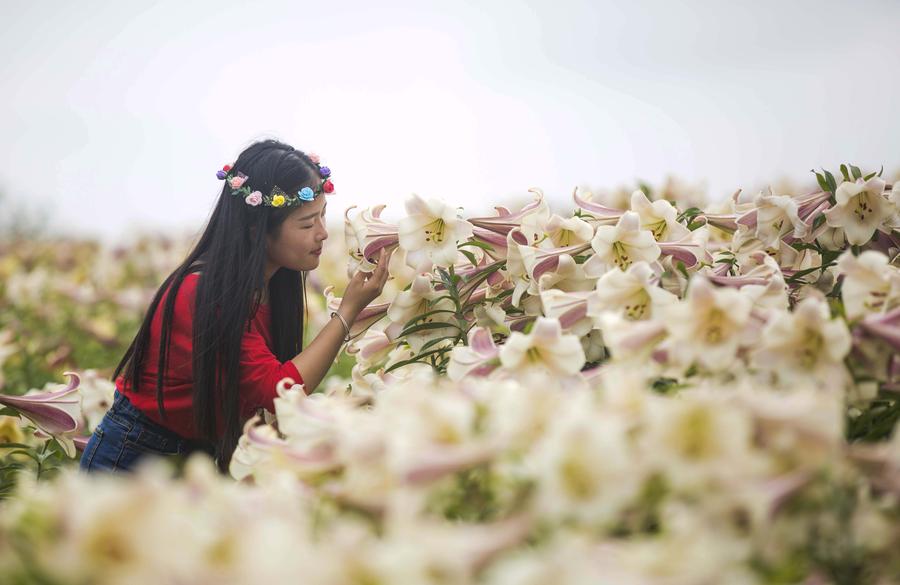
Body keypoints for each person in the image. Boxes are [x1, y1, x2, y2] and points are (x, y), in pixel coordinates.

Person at [79, 139, 390, 474]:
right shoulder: (202, 292)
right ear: (258, 228)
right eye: (306, 223)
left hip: (193, 457)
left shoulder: (268, 286)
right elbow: (279, 392)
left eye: (322, 217)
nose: (323, 234)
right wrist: (347, 313)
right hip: (134, 456)